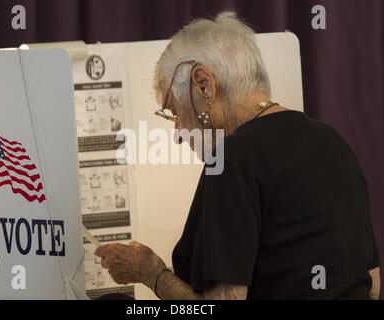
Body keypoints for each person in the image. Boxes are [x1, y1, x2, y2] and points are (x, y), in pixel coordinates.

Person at [95, 11, 380, 300]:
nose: (179, 132)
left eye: (174, 112)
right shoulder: (334, 142)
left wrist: (150, 273)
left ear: (204, 84)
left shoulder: (232, 157)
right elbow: (373, 282)